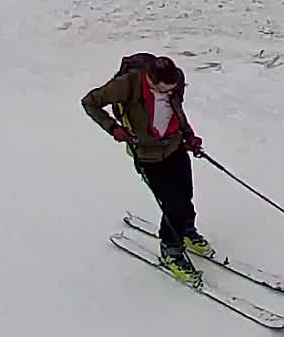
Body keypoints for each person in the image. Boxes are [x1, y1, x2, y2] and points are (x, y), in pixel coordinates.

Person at [82, 53, 211, 281]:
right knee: (171, 203)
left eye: (173, 89)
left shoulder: (175, 83)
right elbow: (89, 102)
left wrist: (189, 136)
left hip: (174, 146)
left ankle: (187, 230)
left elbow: (176, 112)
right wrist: (113, 128)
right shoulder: (127, 85)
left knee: (185, 194)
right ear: (151, 81)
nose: (169, 93)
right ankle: (170, 249)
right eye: (164, 90)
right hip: (147, 154)